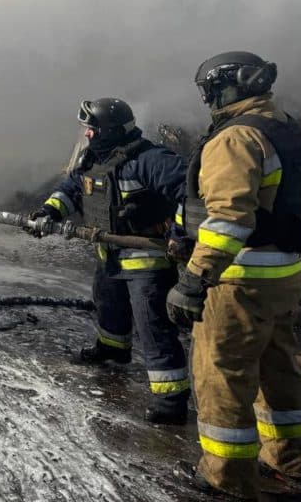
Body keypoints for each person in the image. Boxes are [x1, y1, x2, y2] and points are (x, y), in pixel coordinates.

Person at [167, 51, 301, 502]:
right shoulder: (283, 126)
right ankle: (292, 462)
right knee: (280, 372)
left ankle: (225, 476)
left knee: (224, 375)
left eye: (208, 91)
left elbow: (229, 217)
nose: (206, 100)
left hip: (238, 280)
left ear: (227, 87)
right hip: (283, 275)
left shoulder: (236, 138)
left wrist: (195, 278)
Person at [29, 98, 190, 425]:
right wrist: (49, 211)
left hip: (147, 262)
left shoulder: (151, 159)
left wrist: (174, 228)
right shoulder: (94, 159)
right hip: (109, 256)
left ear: (111, 131)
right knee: (107, 305)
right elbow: (72, 188)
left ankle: (171, 401)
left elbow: (192, 194)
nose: (87, 135)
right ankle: (113, 350)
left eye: (92, 128)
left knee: (153, 328)